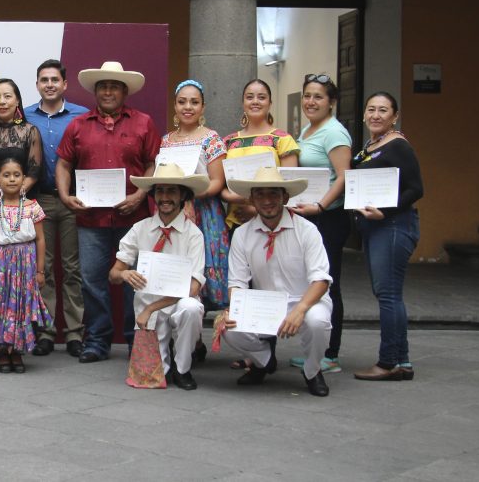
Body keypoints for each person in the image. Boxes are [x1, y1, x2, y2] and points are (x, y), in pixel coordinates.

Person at [55, 61, 161, 363]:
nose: (109, 91)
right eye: (103, 86)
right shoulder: (78, 125)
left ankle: (134, 339)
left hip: (134, 218)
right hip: (90, 219)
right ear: (96, 91)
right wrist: (65, 195)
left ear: (125, 91)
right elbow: (63, 163)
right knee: (91, 280)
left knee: (135, 280)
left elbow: (154, 163)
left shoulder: (143, 123)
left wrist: (141, 194)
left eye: (114, 86)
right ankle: (97, 340)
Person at [221, 167, 333, 397]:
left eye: (273, 194)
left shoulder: (307, 230)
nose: (267, 200)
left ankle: (312, 372)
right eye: (260, 194)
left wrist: (301, 308)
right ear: (251, 199)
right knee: (228, 327)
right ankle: (264, 362)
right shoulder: (242, 234)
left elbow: (321, 279)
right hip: (265, 303)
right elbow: (237, 282)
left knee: (318, 322)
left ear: (285, 197)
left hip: (306, 299)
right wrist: (236, 309)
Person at [109, 164, 208, 390]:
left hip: (174, 304)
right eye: (160, 191)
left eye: (172, 191)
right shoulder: (139, 229)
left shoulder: (194, 234)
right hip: (147, 309)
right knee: (150, 378)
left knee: (191, 308)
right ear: (154, 195)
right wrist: (124, 273)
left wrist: (152, 308)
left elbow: (192, 288)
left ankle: (183, 368)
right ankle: (165, 358)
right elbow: (113, 274)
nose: (165, 197)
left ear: (183, 195)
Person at [351, 91, 423, 382]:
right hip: (376, 228)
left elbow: (416, 189)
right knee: (386, 293)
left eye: (383, 110)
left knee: (389, 295)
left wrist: (384, 210)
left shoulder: (398, 146)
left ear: (394, 116)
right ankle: (402, 361)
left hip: (394, 226)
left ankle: (388, 362)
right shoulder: (370, 145)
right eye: (371, 109)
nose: (376, 115)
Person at [287, 74, 352, 375]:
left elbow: (343, 176)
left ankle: (331, 353)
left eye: (318, 97)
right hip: (310, 214)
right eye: (308, 96)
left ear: (332, 102)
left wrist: (321, 205)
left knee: (327, 282)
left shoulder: (334, 133)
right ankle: (315, 349)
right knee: (312, 281)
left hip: (328, 217)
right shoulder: (310, 129)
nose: (311, 102)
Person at [24, 59, 88, 358]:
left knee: (73, 269)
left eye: (54, 80)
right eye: (44, 80)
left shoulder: (82, 117)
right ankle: (46, 332)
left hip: (75, 201)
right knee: (44, 269)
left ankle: (75, 333)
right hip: (39, 201)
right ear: (37, 84)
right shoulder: (23, 117)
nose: (49, 84)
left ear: (65, 84)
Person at [0, 157, 52, 374]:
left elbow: (41, 239)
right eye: (6, 175)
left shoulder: (33, 208)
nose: (12, 179)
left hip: (25, 264)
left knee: (19, 306)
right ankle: (2, 351)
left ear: (24, 179)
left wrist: (40, 271)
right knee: (1, 305)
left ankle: (17, 350)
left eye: (17, 175)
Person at [159, 79, 230, 311]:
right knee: (174, 265)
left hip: (204, 212)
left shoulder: (211, 138)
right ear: (175, 106)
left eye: (194, 102)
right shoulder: (166, 141)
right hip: (171, 212)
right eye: (182, 102)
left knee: (201, 267)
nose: (188, 107)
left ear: (203, 107)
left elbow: (218, 181)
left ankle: (195, 326)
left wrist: (190, 198)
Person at [222, 79, 300, 229]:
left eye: (261, 97)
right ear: (243, 102)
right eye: (250, 97)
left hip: (273, 220)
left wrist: (255, 209)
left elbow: (290, 187)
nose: (255, 101)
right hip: (235, 221)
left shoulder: (282, 139)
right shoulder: (229, 141)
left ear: (270, 103)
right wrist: (235, 198)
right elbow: (220, 185)